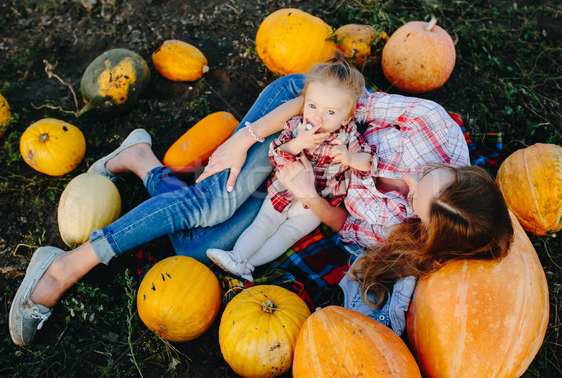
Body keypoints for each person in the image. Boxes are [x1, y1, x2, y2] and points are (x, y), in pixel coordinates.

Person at [9, 69, 513, 347]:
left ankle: (142, 161)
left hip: (299, 184)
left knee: (196, 248)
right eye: (426, 175)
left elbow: (346, 223)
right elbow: (335, 100)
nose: (405, 181)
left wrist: (308, 193)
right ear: (460, 170)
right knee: (209, 205)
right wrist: (243, 139)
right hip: (300, 116)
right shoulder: (434, 128)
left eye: (414, 200)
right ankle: (61, 269)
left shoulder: (406, 233)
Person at [206, 60, 375, 280]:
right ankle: (237, 256)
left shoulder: (348, 137)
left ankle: (248, 266)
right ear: (304, 103)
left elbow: (369, 162)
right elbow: (276, 153)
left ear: (347, 117)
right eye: (312, 106)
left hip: (315, 204)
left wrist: (352, 158)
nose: (317, 117)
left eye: (330, 112)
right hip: (282, 190)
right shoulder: (296, 126)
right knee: (262, 225)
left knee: (286, 235)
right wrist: (298, 144)